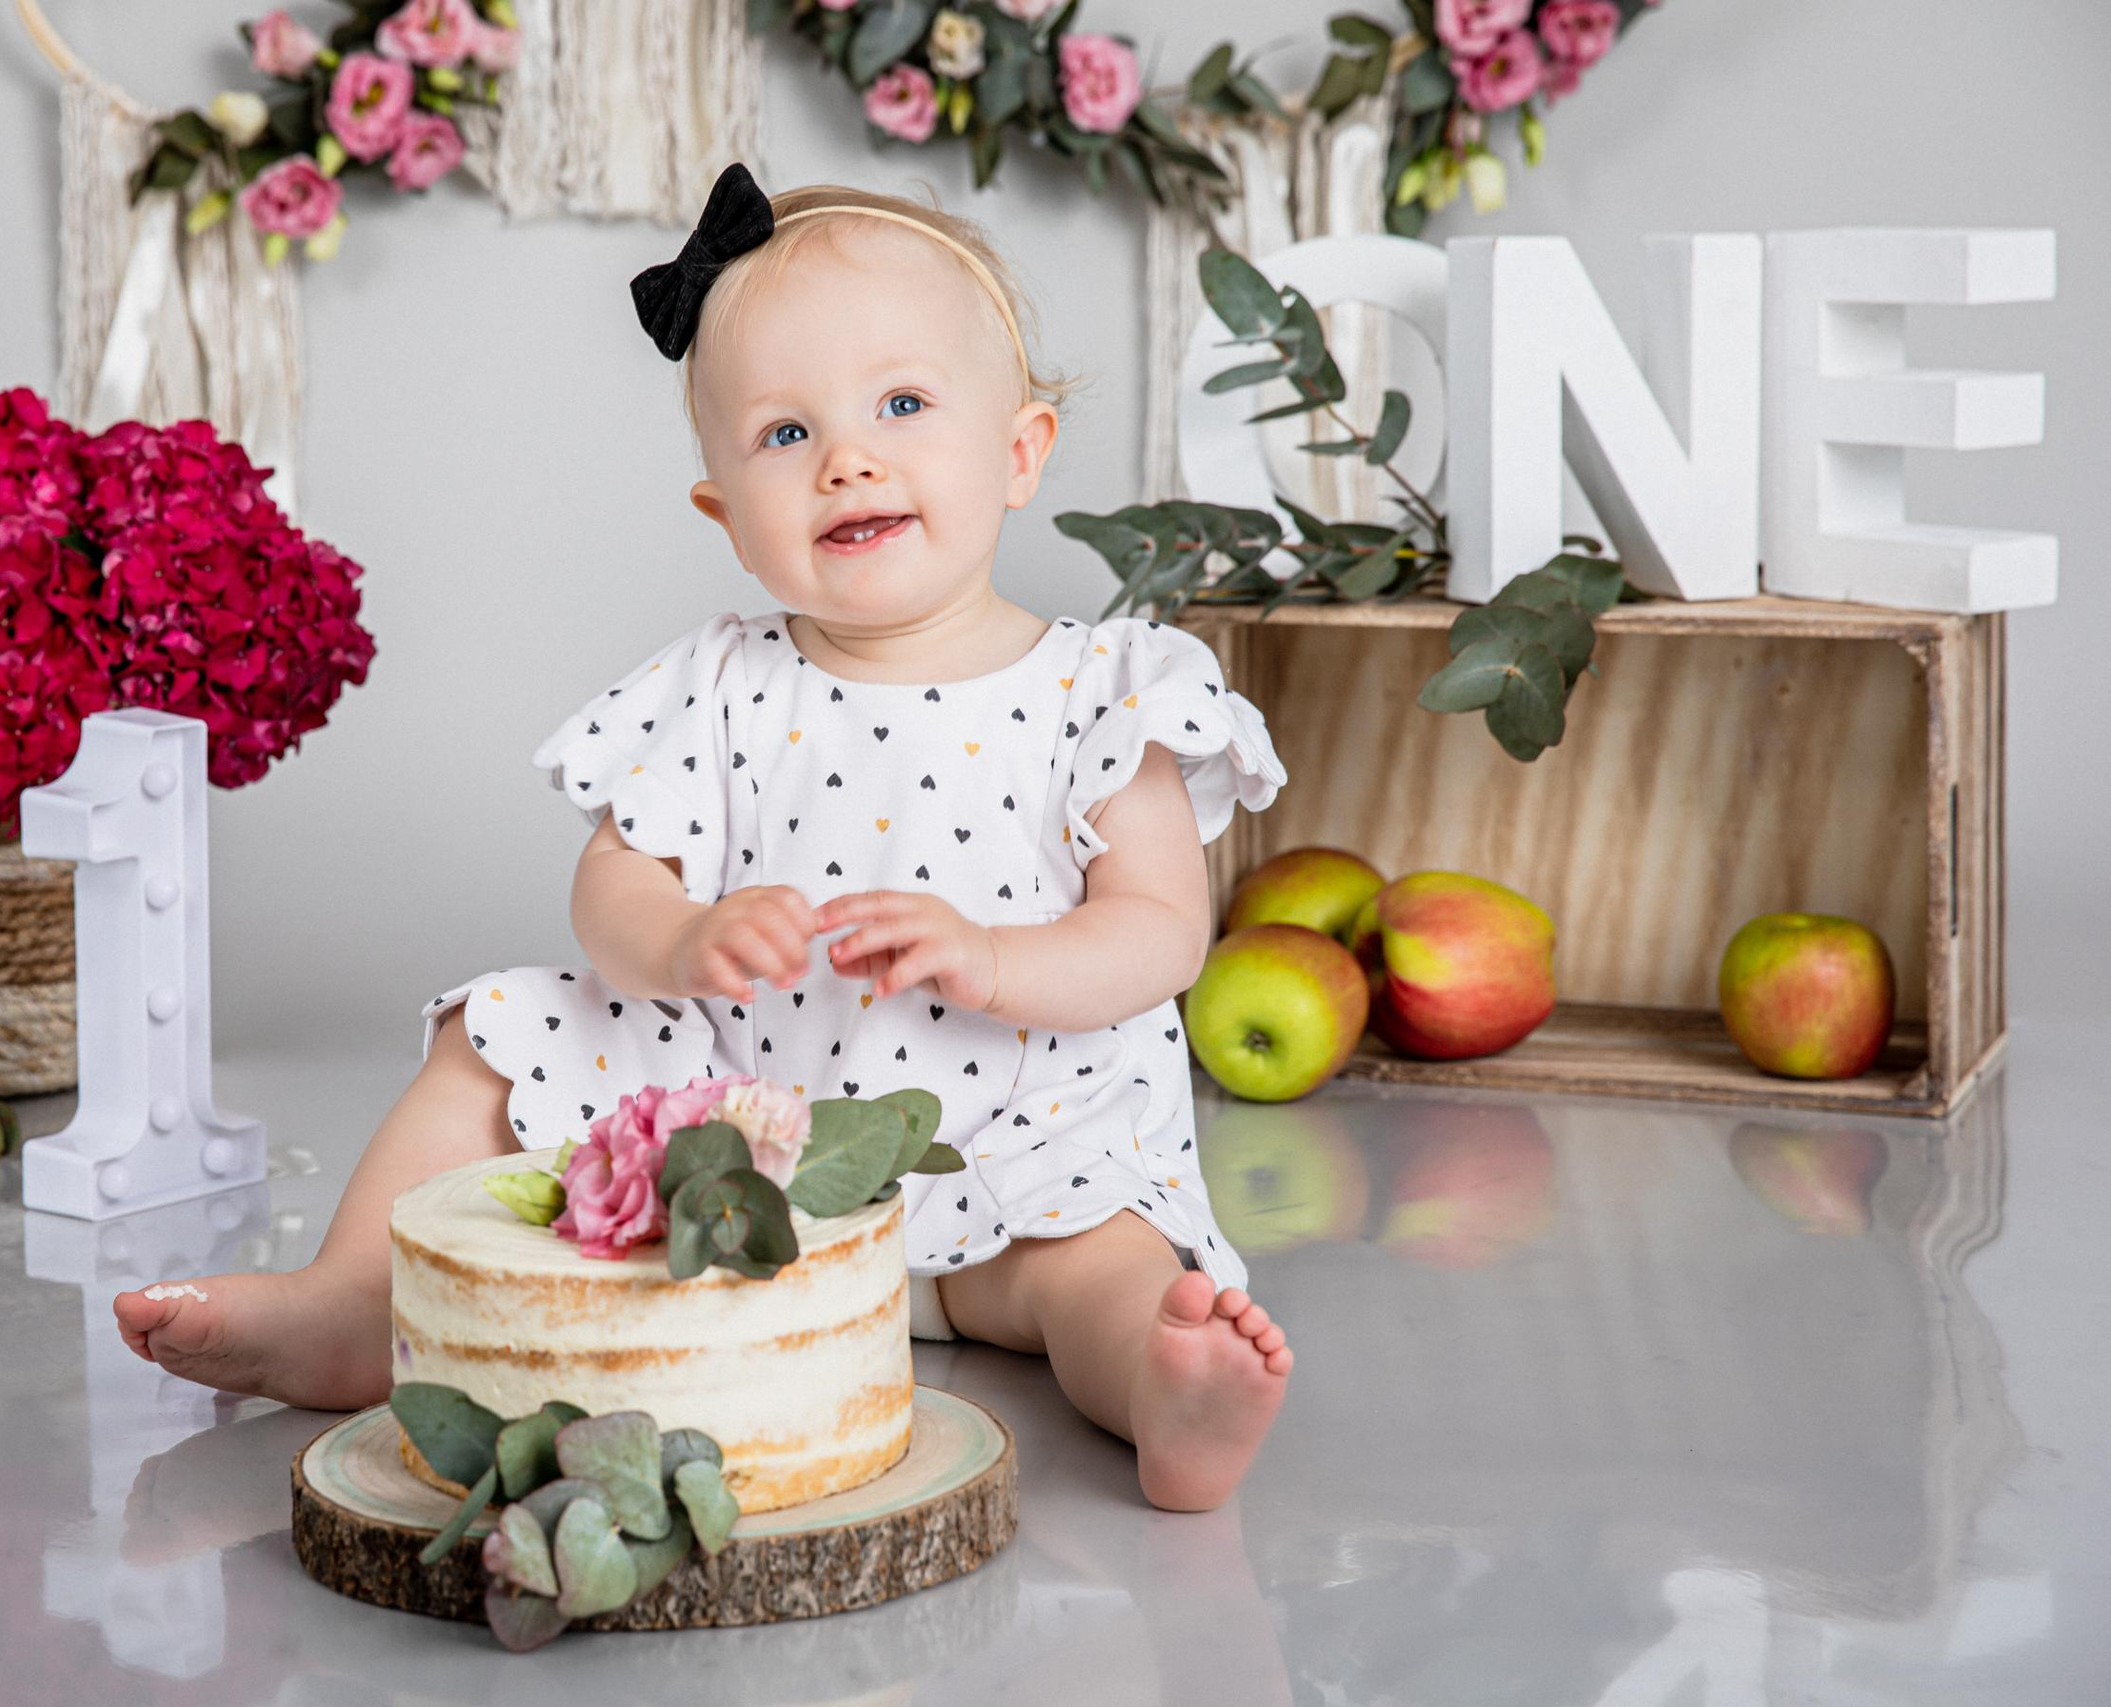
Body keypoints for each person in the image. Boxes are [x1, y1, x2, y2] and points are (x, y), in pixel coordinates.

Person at [115, 164, 1295, 1512]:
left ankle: (1163, 1385)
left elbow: (1158, 931)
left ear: (1020, 452)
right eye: (785, 435)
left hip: (1012, 1146)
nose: (849, 457)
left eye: (902, 406)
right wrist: (680, 936)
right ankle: (352, 1306)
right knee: (497, 1027)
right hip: (736, 1155)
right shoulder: (718, 685)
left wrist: (991, 958)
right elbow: (612, 879)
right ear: (725, 515)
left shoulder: (1107, 687)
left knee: (1106, 1266)